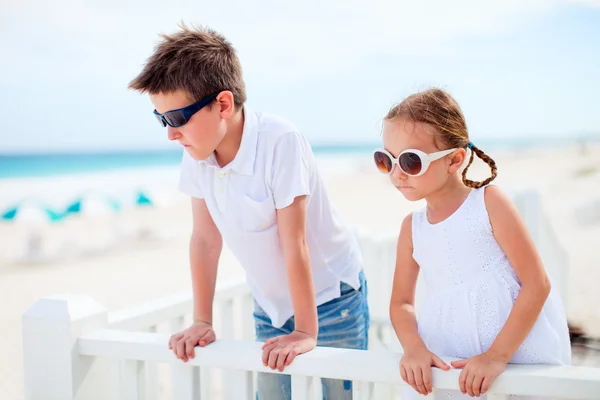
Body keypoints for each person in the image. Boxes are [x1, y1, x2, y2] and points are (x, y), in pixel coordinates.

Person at [128, 24, 369, 400]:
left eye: (175, 119)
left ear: (223, 104)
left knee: (339, 395)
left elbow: (296, 243)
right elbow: (205, 241)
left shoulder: (280, 141)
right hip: (269, 304)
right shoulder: (197, 151)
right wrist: (202, 321)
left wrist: (306, 331)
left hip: (330, 298)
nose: (170, 134)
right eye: (162, 120)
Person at [374, 88, 571, 398]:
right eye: (386, 160)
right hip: (449, 361)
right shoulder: (411, 229)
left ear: (454, 159)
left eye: (411, 161)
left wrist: (496, 357)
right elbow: (401, 302)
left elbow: (537, 283)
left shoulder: (489, 203)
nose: (397, 173)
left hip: (510, 358)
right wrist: (413, 348)